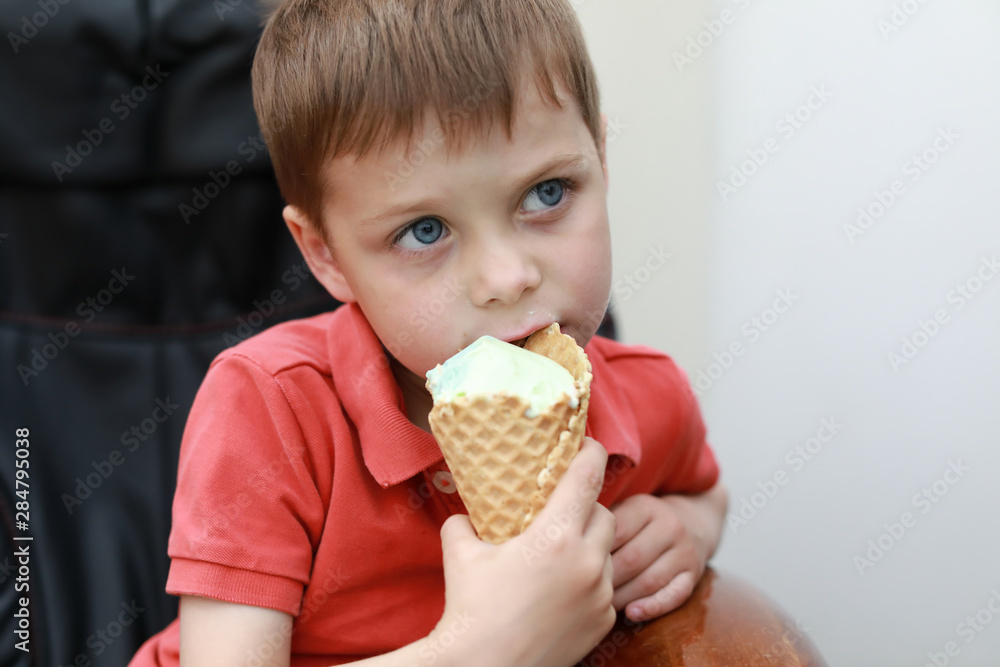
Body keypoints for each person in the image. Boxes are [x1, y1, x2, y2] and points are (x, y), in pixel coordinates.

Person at [130, 0, 727, 664]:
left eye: (548, 192)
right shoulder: (271, 411)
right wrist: (485, 649)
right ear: (325, 254)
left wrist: (685, 531)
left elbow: (703, 490)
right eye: (425, 231)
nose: (506, 276)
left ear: (601, 160)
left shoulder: (649, 392)